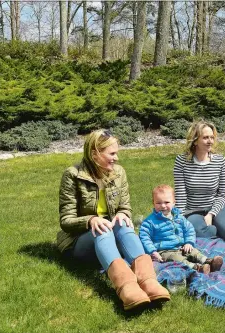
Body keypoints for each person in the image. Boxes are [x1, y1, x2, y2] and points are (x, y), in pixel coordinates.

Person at [57, 129, 170, 311]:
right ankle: (126, 288)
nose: (116, 158)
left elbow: (125, 206)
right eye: (112, 153)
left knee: (123, 225)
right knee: (102, 228)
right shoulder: (72, 175)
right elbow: (66, 220)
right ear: (95, 154)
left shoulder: (119, 173)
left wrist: (123, 214)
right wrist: (91, 220)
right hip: (78, 241)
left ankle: (148, 281)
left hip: (110, 236)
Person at [139, 184, 224, 274]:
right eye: (158, 203)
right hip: (164, 251)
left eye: (166, 202)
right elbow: (144, 237)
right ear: (153, 203)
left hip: (181, 246)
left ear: (174, 202)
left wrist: (188, 242)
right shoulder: (149, 222)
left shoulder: (179, 217)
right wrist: (152, 251)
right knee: (178, 259)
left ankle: (209, 262)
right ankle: (198, 268)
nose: (163, 206)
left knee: (194, 252)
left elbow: (189, 229)